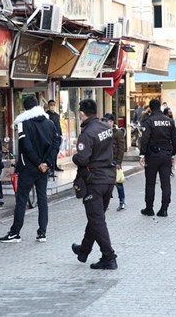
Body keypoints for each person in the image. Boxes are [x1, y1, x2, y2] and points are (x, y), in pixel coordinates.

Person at [0, 96, 58, 243]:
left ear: (25, 108)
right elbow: (55, 144)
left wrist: (38, 162)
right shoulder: (50, 123)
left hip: (28, 168)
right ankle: (42, 233)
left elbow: (26, 145)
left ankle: (15, 233)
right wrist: (46, 163)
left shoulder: (23, 124)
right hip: (44, 169)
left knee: (21, 200)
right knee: (42, 199)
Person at [71, 99, 118, 270]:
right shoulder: (106, 127)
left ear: (82, 113)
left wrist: (74, 157)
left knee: (97, 219)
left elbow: (82, 159)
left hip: (94, 180)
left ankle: (109, 256)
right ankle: (84, 250)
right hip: (108, 178)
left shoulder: (87, 133)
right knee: (95, 217)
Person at [139, 99, 176, 217]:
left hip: (152, 155)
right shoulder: (169, 121)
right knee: (165, 183)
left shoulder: (149, 121)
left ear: (150, 108)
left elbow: (145, 139)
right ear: (160, 107)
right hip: (166, 155)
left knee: (150, 183)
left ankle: (149, 208)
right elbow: (174, 139)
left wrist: (142, 154)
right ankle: (164, 208)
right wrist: (173, 154)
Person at [102, 114, 126, 211]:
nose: (105, 123)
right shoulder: (102, 133)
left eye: (106, 121)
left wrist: (119, 162)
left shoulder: (118, 133)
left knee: (118, 182)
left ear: (112, 122)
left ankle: (122, 201)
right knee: (105, 182)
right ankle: (105, 202)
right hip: (105, 160)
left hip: (115, 160)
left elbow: (121, 149)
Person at [46, 99, 64, 172]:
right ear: (48, 106)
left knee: (56, 151)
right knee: (51, 151)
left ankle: (55, 165)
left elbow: (58, 125)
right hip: (50, 136)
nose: (52, 106)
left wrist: (61, 134)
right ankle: (50, 166)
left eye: (53, 105)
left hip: (57, 136)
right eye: (51, 105)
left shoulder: (57, 115)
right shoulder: (46, 115)